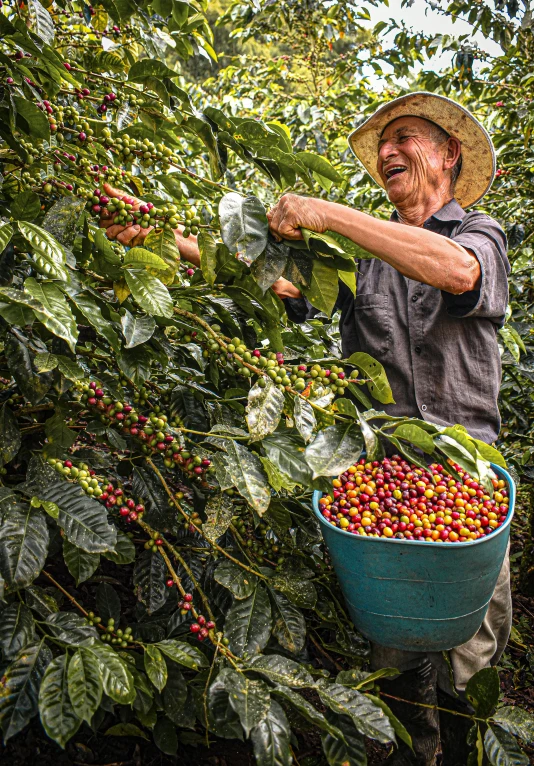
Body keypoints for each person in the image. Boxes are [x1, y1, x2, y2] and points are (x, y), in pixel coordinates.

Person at [100, 92, 511, 766]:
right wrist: (151, 233)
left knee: (473, 665)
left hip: (470, 488)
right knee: (397, 665)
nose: (386, 153)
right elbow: (270, 282)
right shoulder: (363, 262)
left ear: (448, 154)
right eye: (382, 145)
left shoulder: (479, 234)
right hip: (384, 489)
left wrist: (331, 215)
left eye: (403, 137)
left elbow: (455, 272)